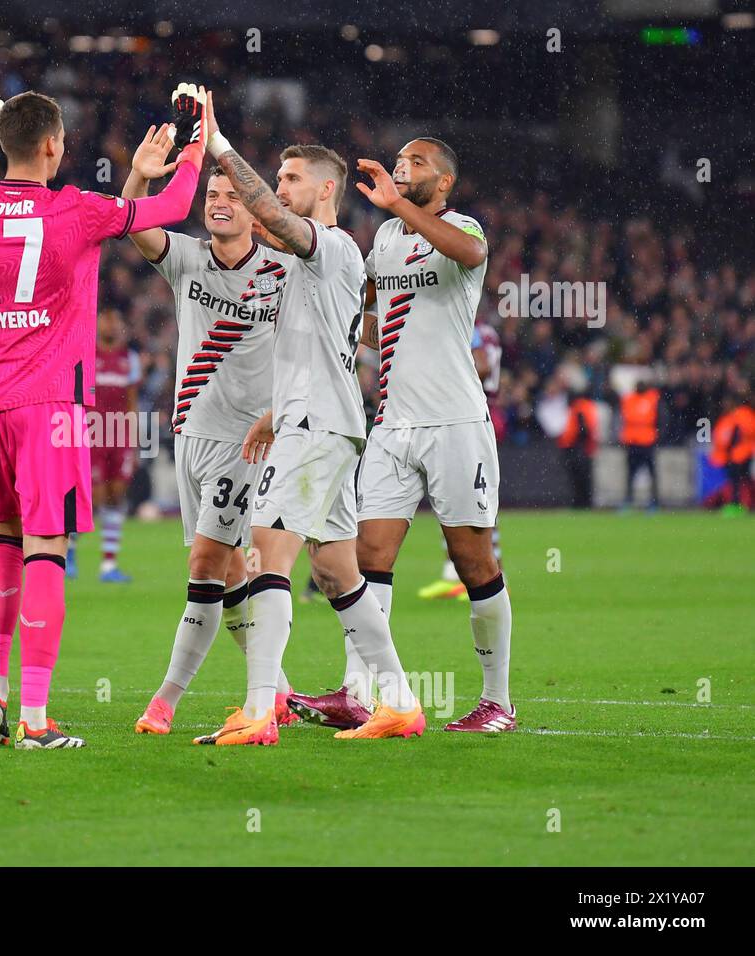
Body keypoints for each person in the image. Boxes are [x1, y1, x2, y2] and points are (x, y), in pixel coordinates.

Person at [0, 86, 206, 749]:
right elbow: (177, 206)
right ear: (53, 147)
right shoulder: (77, 210)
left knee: (5, 538)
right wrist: (195, 137)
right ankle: (34, 718)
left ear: (1, 145)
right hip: (49, 408)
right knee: (45, 549)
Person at [194, 93, 421, 745]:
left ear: (326, 189)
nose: (281, 188)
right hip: (318, 423)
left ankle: (260, 709)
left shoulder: (332, 246)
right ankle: (400, 701)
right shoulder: (311, 261)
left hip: (317, 430)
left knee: (264, 551)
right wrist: (276, 410)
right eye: (280, 176)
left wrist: (218, 144)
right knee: (336, 573)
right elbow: (325, 347)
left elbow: (264, 211)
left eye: (292, 177)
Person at [119, 141, 297, 735]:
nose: (220, 204)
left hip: (247, 444)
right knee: (225, 574)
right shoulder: (187, 258)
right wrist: (140, 179)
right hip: (191, 435)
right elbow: (133, 225)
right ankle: (280, 692)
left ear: (255, 212)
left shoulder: (282, 272)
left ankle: (165, 700)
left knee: (204, 562)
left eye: (233, 197)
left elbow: (318, 343)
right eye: (213, 195)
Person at [349, 138, 514, 733]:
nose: (402, 168)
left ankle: (498, 701)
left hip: (455, 423)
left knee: (472, 559)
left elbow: (469, 255)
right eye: (400, 160)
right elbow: (371, 313)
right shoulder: (387, 239)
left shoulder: (460, 226)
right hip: (392, 421)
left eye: (417, 163)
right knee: (366, 555)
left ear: (443, 181)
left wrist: (397, 205)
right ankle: (358, 691)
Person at [418, 319, 504, 601]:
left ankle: (493, 573)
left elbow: (482, 366)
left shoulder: (466, 324)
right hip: (479, 410)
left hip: (470, 415)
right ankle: (452, 574)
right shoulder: (485, 329)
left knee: (474, 499)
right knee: (453, 496)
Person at [65, 308, 140, 583]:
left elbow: (132, 401)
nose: (110, 325)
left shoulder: (129, 359)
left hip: (119, 437)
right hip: (92, 435)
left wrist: (134, 441)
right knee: (92, 497)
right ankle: (70, 550)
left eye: (114, 320)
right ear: (98, 325)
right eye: (106, 320)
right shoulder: (86, 354)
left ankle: (109, 565)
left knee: (116, 495)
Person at [620, 379, 660, 509]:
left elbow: (661, 417)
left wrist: (660, 435)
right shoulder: (629, 399)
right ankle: (628, 500)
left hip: (648, 441)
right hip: (632, 442)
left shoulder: (653, 398)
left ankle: (654, 502)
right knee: (631, 473)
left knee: (651, 473)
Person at [559, 390, 599, 508]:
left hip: (577, 447)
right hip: (584, 447)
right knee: (584, 477)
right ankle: (585, 502)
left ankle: (581, 502)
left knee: (579, 478)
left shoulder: (579, 407)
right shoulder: (588, 406)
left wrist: (577, 446)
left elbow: (583, 429)